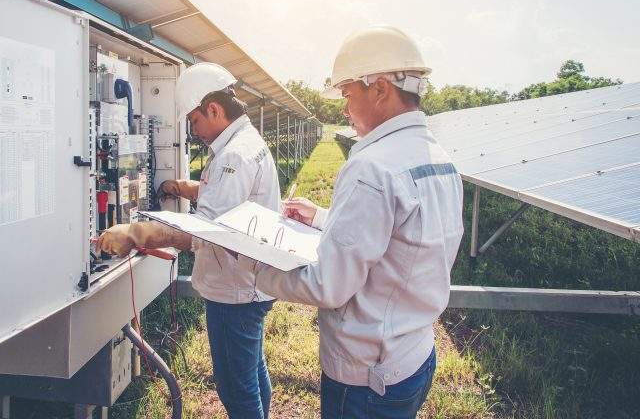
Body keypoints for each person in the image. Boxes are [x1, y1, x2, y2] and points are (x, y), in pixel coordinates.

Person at [247, 26, 465, 419]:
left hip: (367, 378)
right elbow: (402, 237)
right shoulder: (440, 160)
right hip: (414, 356)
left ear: (379, 89)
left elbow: (328, 285)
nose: (344, 109)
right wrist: (323, 217)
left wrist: (253, 266)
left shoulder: (371, 168)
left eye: (348, 94)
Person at [98, 62, 281, 419]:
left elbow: (206, 230)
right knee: (252, 373)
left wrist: (136, 233)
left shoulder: (234, 155)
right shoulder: (245, 143)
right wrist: (184, 188)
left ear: (213, 109)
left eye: (195, 121)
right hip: (251, 285)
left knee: (237, 389)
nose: (194, 132)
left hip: (234, 291)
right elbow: (230, 198)